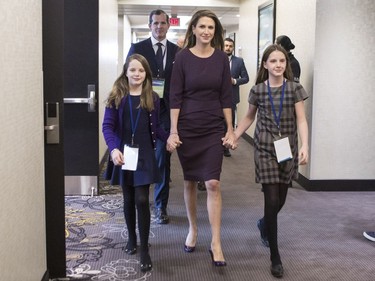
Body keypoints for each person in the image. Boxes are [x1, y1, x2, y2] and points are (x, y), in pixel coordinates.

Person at [231, 44, 309, 277]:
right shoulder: (257, 90)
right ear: (265, 64)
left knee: (280, 199)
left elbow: (302, 120)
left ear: (286, 65)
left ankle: (264, 223)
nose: (278, 65)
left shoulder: (295, 88)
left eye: (281, 61)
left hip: (288, 149)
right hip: (264, 148)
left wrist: (305, 145)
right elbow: (248, 117)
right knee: (271, 197)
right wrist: (234, 135)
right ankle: (275, 256)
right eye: (273, 61)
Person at [167, 9, 234, 267]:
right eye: (202, 26)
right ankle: (193, 229)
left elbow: (226, 97)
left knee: (213, 183)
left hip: (213, 126)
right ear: (193, 29)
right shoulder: (182, 58)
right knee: (190, 181)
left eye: (211, 27)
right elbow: (175, 97)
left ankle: (216, 241)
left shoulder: (221, 59)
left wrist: (230, 128)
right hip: (188, 126)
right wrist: (174, 130)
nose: (207, 31)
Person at [102, 54, 169, 272]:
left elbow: (156, 127)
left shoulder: (152, 97)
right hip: (123, 153)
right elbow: (108, 127)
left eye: (141, 71)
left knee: (142, 198)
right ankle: (131, 238)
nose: (137, 74)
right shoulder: (116, 96)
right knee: (128, 197)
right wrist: (113, 149)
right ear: (126, 72)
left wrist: (168, 137)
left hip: (144, 154)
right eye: (133, 70)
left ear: (146, 74)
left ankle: (144, 250)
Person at [127, 9, 179, 225]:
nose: (159, 27)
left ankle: (160, 206)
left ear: (168, 25)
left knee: (162, 158)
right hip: (141, 109)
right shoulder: (138, 48)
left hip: (165, 111)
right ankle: (136, 200)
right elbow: (128, 75)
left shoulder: (177, 51)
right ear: (149, 25)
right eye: (155, 23)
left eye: (163, 23)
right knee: (138, 156)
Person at [223, 37, 249, 157]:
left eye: (230, 46)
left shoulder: (239, 61)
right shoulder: (216, 59)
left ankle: (226, 146)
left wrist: (234, 81)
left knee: (229, 122)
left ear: (233, 47)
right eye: (226, 45)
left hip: (231, 97)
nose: (228, 48)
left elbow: (246, 78)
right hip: (216, 97)